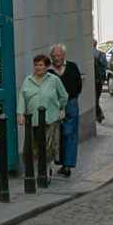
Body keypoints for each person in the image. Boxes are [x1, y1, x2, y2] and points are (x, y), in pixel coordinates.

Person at [18, 53, 62, 186]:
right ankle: (38, 171)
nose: (38, 67)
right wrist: (20, 113)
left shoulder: (53, 80)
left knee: (47, 147)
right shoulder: (28, 80)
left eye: (41, 65)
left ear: (47, 66)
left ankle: (46, 173)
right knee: (34, 148)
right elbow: (22, 97)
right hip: (33, 121)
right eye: (36, 65)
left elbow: (64, 96)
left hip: (50, 120)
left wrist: (57, 107)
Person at [53, 43, 84, 176]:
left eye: (59, 55)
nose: (56, 58)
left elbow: (78, 85)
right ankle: (60, 161)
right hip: (54, 105)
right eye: (53, 56)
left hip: (71, 102)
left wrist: (72, 96)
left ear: (64, 55)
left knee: (69, 133)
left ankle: (67, 165)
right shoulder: (49, 70)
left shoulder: (72, 67)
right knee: (57, 134)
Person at [94, 44, 108, 126]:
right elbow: (105, 64)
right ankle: (97, 113)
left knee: (94, 97)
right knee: (97, 96)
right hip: (100, 78)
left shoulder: (90, 54)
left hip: (93, 78)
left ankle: (98, 113)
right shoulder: (101, 54)